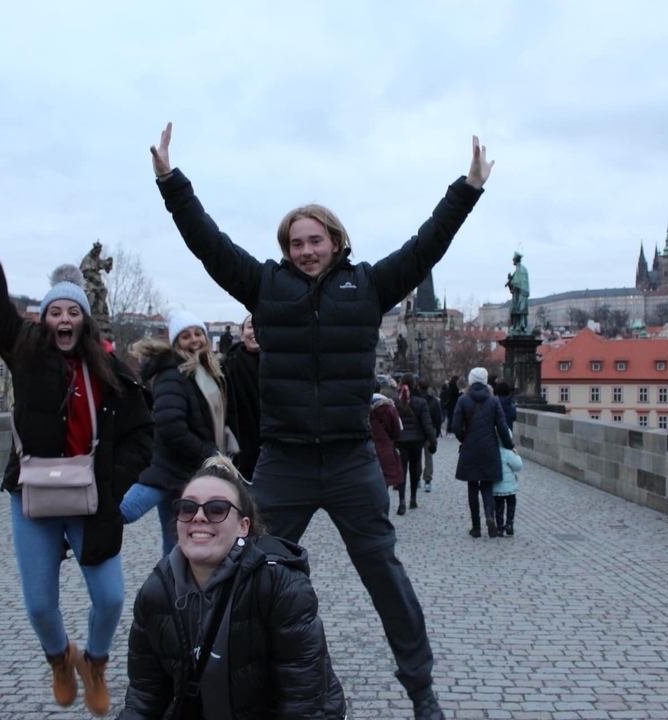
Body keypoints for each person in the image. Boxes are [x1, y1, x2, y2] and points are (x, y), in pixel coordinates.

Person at [150, 122, 494, 719]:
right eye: (295, 243)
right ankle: (206, 682)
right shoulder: (264, 285)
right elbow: (206, 242)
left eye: (314, 240)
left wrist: (467, 188)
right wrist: (171, 183)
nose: (305, 251)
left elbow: (427, 245)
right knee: (237, 567)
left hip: (348, 458)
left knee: (384, 573)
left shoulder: (368, 288)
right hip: (284, 461)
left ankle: (422, 691)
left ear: (335, 240)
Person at [0, 197, 154, 716]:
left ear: (84, 322)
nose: (63, 318)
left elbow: (142, 433)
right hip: (33, 494)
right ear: (44, 321)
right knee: (41, 604)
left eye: (73, 312)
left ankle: (96, 663)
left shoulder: (112, 371)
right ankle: (60, 659)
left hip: (91, 498)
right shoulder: (25, 353)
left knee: (109, 599)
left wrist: (116, 482)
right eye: (54, 311)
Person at [120, 456, 347, 719]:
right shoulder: (156, 591)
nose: (199, 517)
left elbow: (304, 703)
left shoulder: (279, 584)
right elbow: (144, 696)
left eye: (217, 509)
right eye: (187, 507)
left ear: (243, 527)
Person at [121, 310, 230, 558]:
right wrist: (209, 453)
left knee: (176, 541)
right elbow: (171, 426)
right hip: (168, 467)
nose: (194, 340)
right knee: (125, 512)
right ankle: (74, 528)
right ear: (176, 343)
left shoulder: (203, 371)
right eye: (186, 336)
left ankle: (172, 590)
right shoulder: (173, 374)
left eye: (198, 333)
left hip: (185, 471)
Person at [452, 367, 513, 538]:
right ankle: (490, 517)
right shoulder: (493, 401)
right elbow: (502, 426)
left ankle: (476, 527)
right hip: (489, 448)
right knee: (486, 485)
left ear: (471, 381)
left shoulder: (463, 400)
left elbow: (456, 426)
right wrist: (510, 446)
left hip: (470, 448)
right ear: (486, 381)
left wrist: (464, 438)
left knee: (472, 486)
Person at [224, 314, 261, 481]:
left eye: (260, 324)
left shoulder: (284, 365)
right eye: (250, 326)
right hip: (242, 445)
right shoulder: (227, 366)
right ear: (242, 334)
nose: (255, 330)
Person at [394, 373, 435, 515]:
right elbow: (427, 424)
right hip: (416, 441)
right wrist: (433, 441)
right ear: (414, 384)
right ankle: (413, 498)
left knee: (402, 470)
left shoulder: (395, 401)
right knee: (414, 469)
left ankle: (401, 500)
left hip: (400, 441)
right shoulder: (420, 402)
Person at [371, 380, 404, 490]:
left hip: (365, 449)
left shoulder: (360, 407)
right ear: (380, 391)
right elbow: (397, 431)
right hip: (385, 448)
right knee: (384, 482)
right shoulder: (389, 408)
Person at [493, 430, 523, 538]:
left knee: (499, 507)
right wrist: (517, 455)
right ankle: (509, 524)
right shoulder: (509, 452)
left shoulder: (494, 451)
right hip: (510, 487)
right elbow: (518, 466)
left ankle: (499, 527)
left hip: (497, 487)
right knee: (511, 504)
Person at [417, 379, 442, 493]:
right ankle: (427, 480)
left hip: (417, 431)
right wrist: (436, 431)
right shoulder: (434, 400)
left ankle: (417, 478)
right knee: (428, 456)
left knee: (416, 457)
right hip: (430, 430)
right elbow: (438, 417)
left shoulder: (416, 400)